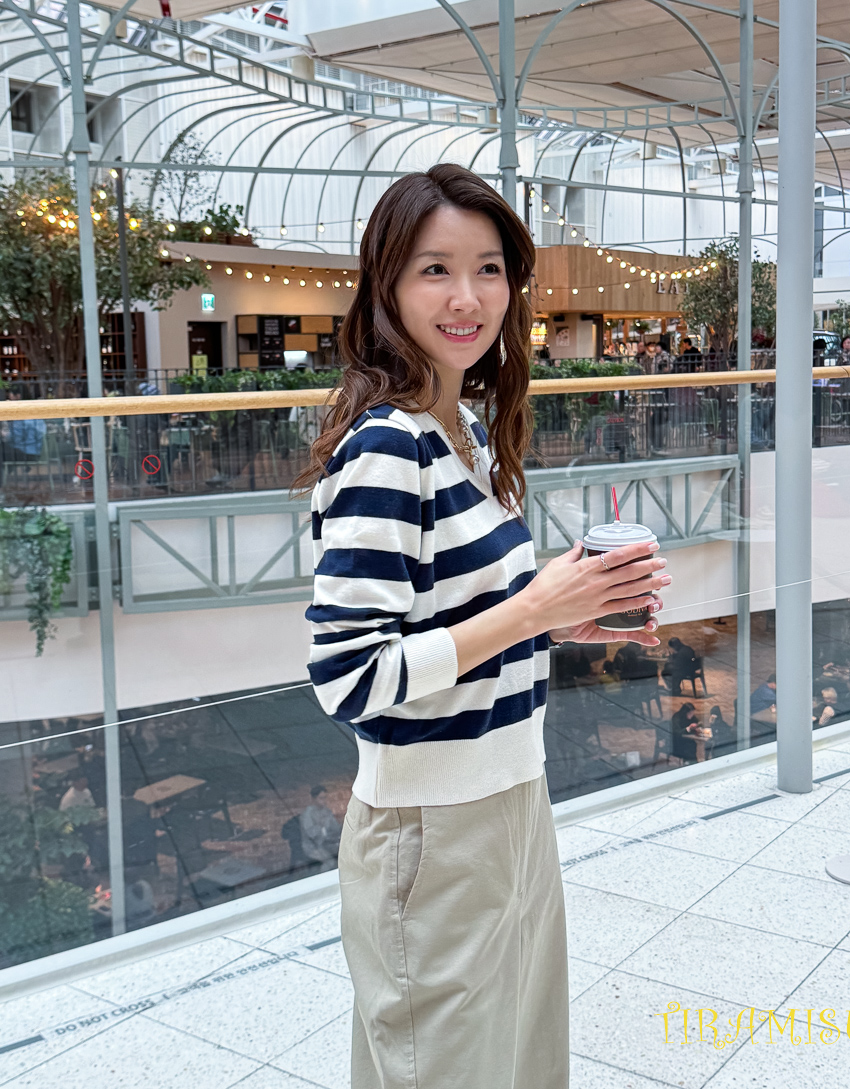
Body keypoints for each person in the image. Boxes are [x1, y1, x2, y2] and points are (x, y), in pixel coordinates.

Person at [297, 164, 669, 1089]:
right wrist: (535, 607)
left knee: (521, 1063)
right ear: (386, 285)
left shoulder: (459, 427)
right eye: (435, 269)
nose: (467, 297)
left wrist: (573, 619)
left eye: (489, 269)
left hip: (513, 799)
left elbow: (466, 624)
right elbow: (350, 676)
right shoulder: (388, 446)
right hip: (432, 827)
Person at [297, 785, 343, 873]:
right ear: (313, 799)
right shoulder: (307, 814)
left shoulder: (327, 811)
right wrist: (321, 826)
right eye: (321, 798)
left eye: (325, 798)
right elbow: (311, 834)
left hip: (328, 844)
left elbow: (335, 828)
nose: (324, 801)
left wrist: (341, 825)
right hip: (312, 847)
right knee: (330, 862)